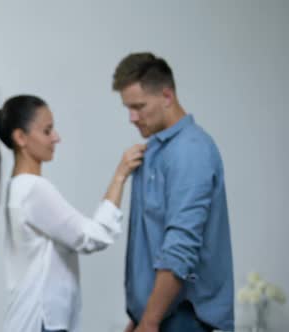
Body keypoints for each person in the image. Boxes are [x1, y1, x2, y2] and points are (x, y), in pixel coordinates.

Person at [0, 95, 145, 332]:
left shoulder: (19, 187)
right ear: (21, 138)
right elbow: (92, 237)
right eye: (48, 131)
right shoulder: (33, 190)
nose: (56, 137)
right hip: (41, 323)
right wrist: (120, 175)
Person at [112, 53, 234, 332]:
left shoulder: (191, 151)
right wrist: (140, 317)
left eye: (139, 107)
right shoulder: (153, 151)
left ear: (167, 96)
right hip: (160, 318)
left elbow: (180, 247)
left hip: (185, 320)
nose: (132, 118)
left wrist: (150, 320)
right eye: (127, 108)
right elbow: (151, 244)